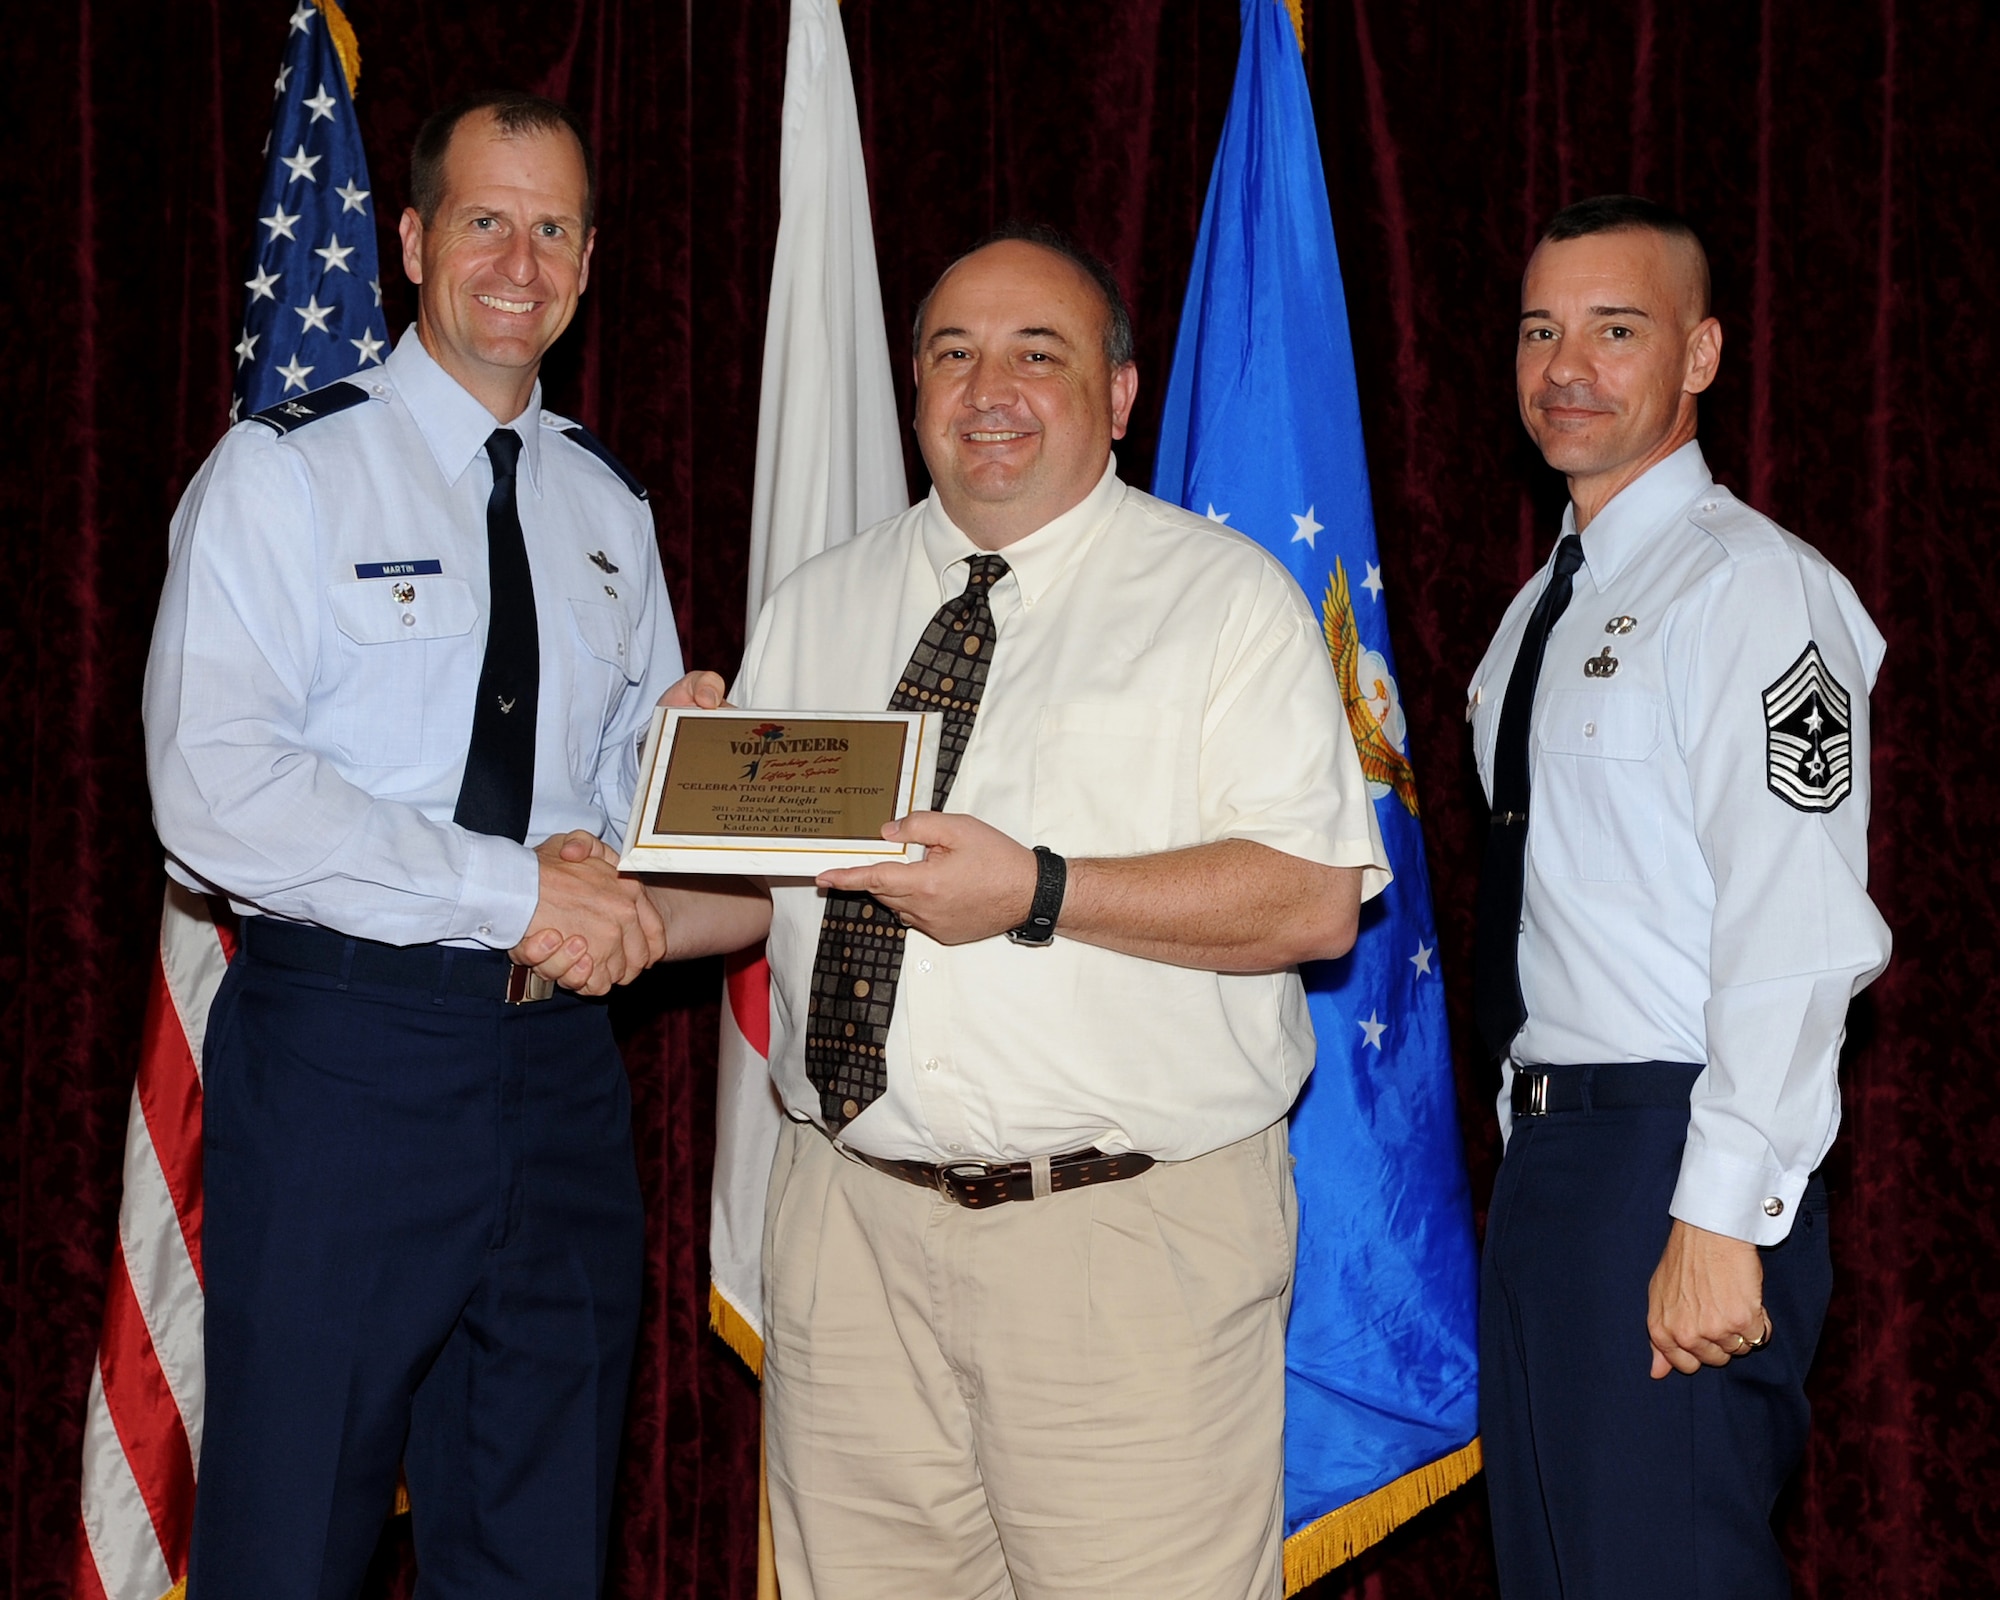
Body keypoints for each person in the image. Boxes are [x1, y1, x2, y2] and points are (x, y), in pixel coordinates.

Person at [647, 224, 1389, 1598]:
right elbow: (762, 901)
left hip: (1121, 1249)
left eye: (1035, 354)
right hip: (853, 1240)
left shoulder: (1224, 603)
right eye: (952, 353)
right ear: (915, 389)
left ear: (1117, 395)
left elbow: (1312, 900)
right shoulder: (818, 605)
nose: (989, 387)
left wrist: (1037, 891)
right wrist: (617, 897)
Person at [144, 92, 692, 1598]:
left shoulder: (608, 508)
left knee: (540, 1535)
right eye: (486, 221)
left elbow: (618, 815)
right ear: (409, 243)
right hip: (346, 1059)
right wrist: (519, 889)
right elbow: (215, 793)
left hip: (567, 1074)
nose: (522, 261)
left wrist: (704, 777)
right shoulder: (286, 473)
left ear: (589, 259)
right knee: (291, 1534)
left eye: (557, 227)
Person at [1468, 195, 1892, 1598]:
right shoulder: (1541, 611)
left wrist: (1722, 1215)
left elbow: (1798, 928)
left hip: (1674, 1156)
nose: (1565, 365)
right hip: (1554, 1170)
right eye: (1541, 329)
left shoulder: (1754, 592)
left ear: (1700, 356)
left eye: (1615, 328)